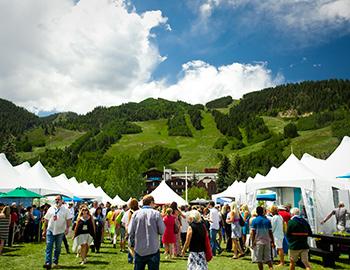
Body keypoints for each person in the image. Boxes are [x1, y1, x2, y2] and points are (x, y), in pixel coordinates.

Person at [128, 195, 165, 270]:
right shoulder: (156, 214)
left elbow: (130, 231)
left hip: (139, 249)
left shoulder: (135, 214)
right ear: (151, 202)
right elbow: (162, 231)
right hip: (153, 249)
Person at [42, 195, 72, 269]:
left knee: (57, 248)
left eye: (58, 199)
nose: (57, 201)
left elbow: (68, 220)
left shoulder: (65, 209)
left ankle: (55, 262)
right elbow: (46, 219)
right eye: (56, 199)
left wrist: (67, 228)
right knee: (49, 245)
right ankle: (48, 262)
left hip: (60, 231)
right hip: (50, 230)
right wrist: (44, 230)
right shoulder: (51, 208)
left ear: (62, 200)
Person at [122, 198, 139, 264]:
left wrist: (126, 229)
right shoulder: (140, 211)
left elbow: (123, 223)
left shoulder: (127, 213)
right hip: (138, 231)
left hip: (130, 231)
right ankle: (136, 257)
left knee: (130, 246)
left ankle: (132, 258)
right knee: (136, 246)